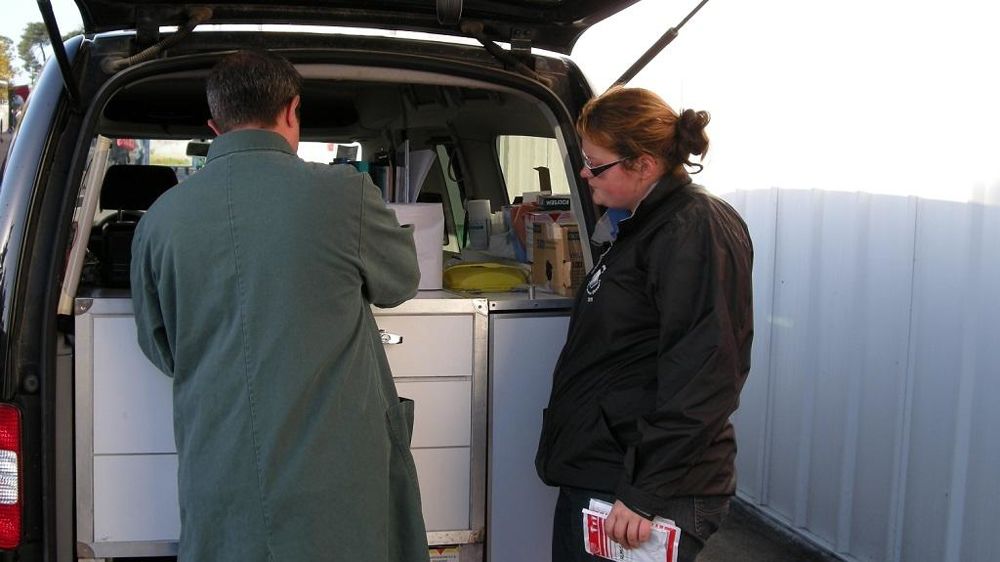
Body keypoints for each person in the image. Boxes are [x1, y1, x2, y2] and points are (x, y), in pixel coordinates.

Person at [130, 50, 429, 562]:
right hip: (333, 487)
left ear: (214, 125)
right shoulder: (344, 194)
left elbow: (161, 346)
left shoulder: (159, 219)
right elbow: (400, 282)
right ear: (292, 111)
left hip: (217, 478)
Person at [535, 86, 754, 562]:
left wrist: (643, 493)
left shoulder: (694, 228)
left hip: (641, 490)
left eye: (595, 164)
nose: (583, 172)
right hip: (609, 473)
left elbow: (706, 375)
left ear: (644, 165)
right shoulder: (641, 225)